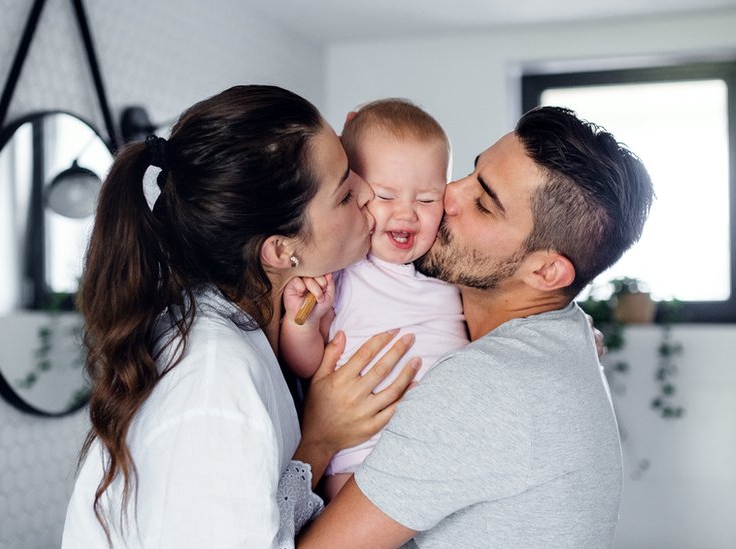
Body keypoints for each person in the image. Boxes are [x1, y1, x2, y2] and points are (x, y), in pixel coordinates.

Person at [60, 85, 421, 548]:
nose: (370, 193)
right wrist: (318, 441)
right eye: (346, 192)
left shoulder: (262, 324)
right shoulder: (213, 385)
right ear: (280, 249)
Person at [298, 106, 654, 548]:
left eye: (483, 204)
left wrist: (317, 439)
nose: (447, 196)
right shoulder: (566, 334)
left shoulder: (486, 385)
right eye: (470, 171)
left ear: (546, 274)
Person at [280, 99, 469, 501]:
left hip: (443, 460)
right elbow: (307, 363)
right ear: (354, 192)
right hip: (359, 459)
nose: (407, 214)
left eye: (426, 199)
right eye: (385, 196)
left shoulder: (452, 271)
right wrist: (303, 322)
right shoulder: (345, 269)